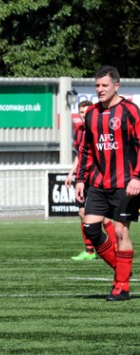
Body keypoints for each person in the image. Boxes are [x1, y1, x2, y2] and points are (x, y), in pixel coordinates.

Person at [76, 65, 140, 301]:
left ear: (116, 86)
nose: (100, 89)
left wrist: (137, 176)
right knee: (90, 228)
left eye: (104, 85)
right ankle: (121, 269)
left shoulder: (130, 111)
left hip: (126, 183)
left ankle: (121, 286)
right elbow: (87, 150)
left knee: (122, 232)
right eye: (97, 85)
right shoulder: (92, 114)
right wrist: (81, 179)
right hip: (99, 184)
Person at [66, 100, 117, 261]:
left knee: (104, 217)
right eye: (81, 112)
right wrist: (71, 173)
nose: (84, 115)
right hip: (83, 179)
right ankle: (89, 251)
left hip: (97, 178)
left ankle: (115, 248)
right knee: (82, 213)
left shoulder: (100, 130)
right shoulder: (79, 131)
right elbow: (80, 155)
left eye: (86, 112)